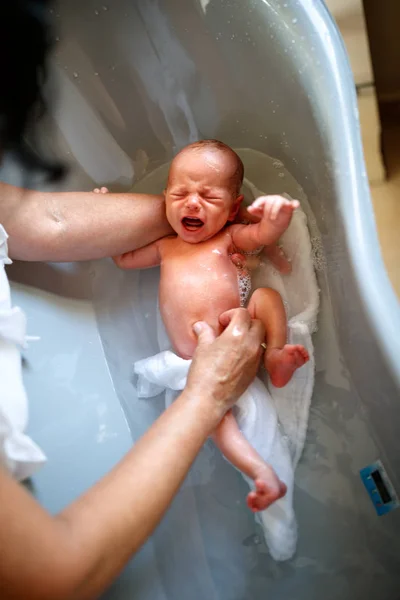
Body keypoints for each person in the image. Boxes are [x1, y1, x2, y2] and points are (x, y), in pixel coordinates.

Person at [0, 2, 266, 599]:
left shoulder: (202, 221)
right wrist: (207, 391)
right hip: (58, 521)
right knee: (230, 428)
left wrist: (199, 219)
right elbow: (50, 575)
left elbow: (47, 217)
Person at [113, 140, 309, 512]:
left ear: (233, 208)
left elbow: (263, 236)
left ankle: (276, 357)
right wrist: (107, 216)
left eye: (208, 196)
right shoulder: (164, 247)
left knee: (266, 297)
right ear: (165, 196)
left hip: (238, 328)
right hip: (197, 363)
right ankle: (261, 472)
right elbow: (123, 258)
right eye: (180, 193)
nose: (192, 203)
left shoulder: (229, 237)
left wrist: (276, 217)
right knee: (218, 421)